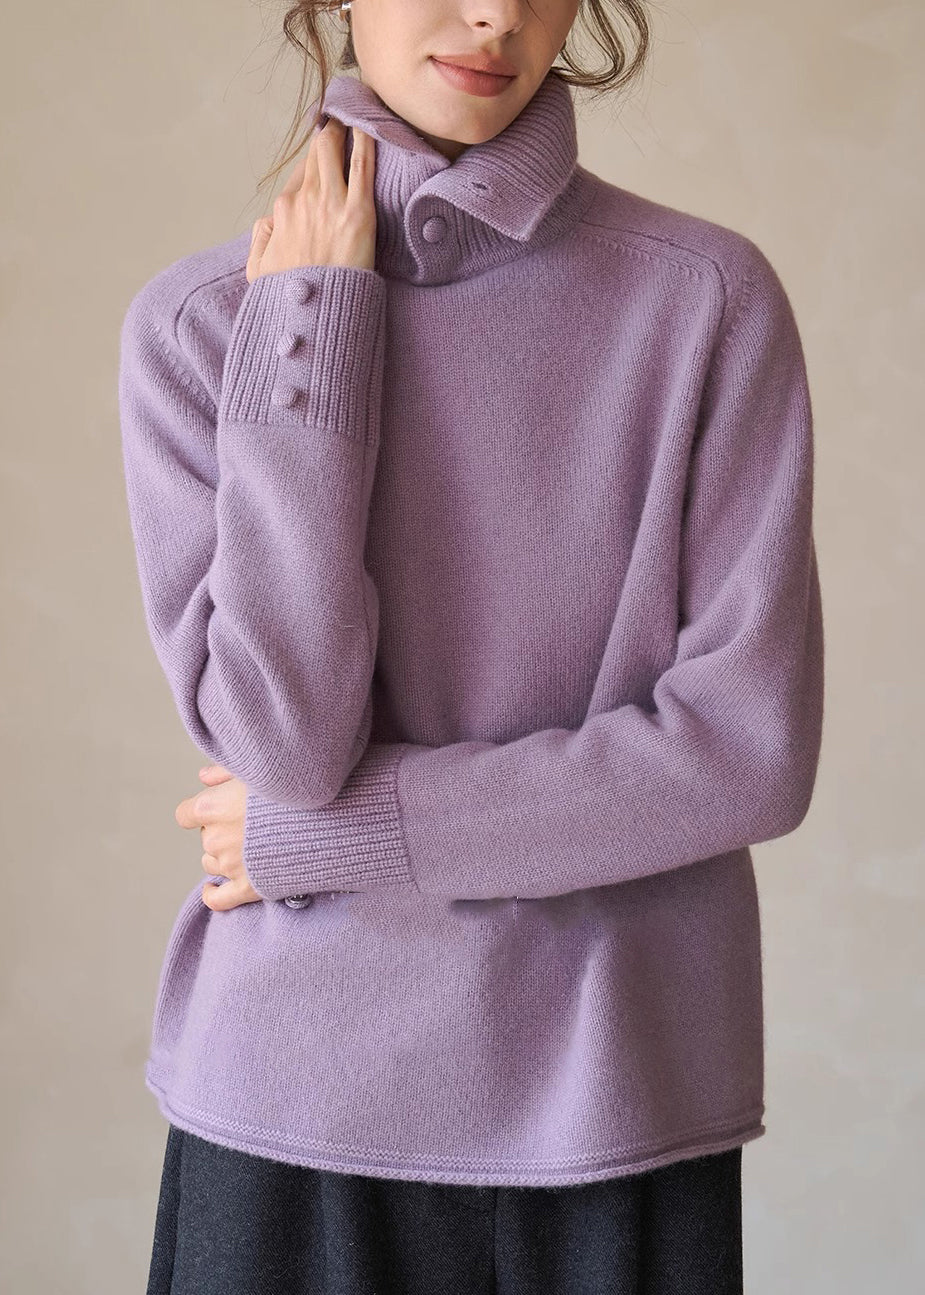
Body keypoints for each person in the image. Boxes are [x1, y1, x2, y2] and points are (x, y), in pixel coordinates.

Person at [118, 1, 824, 1291]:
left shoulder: (705, 301)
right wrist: (312, 332)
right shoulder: (204, 326)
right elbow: (285, 746)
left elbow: (746, 755)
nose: (496, 14)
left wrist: (342, 835)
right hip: (293, 1109)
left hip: (613, 1106)